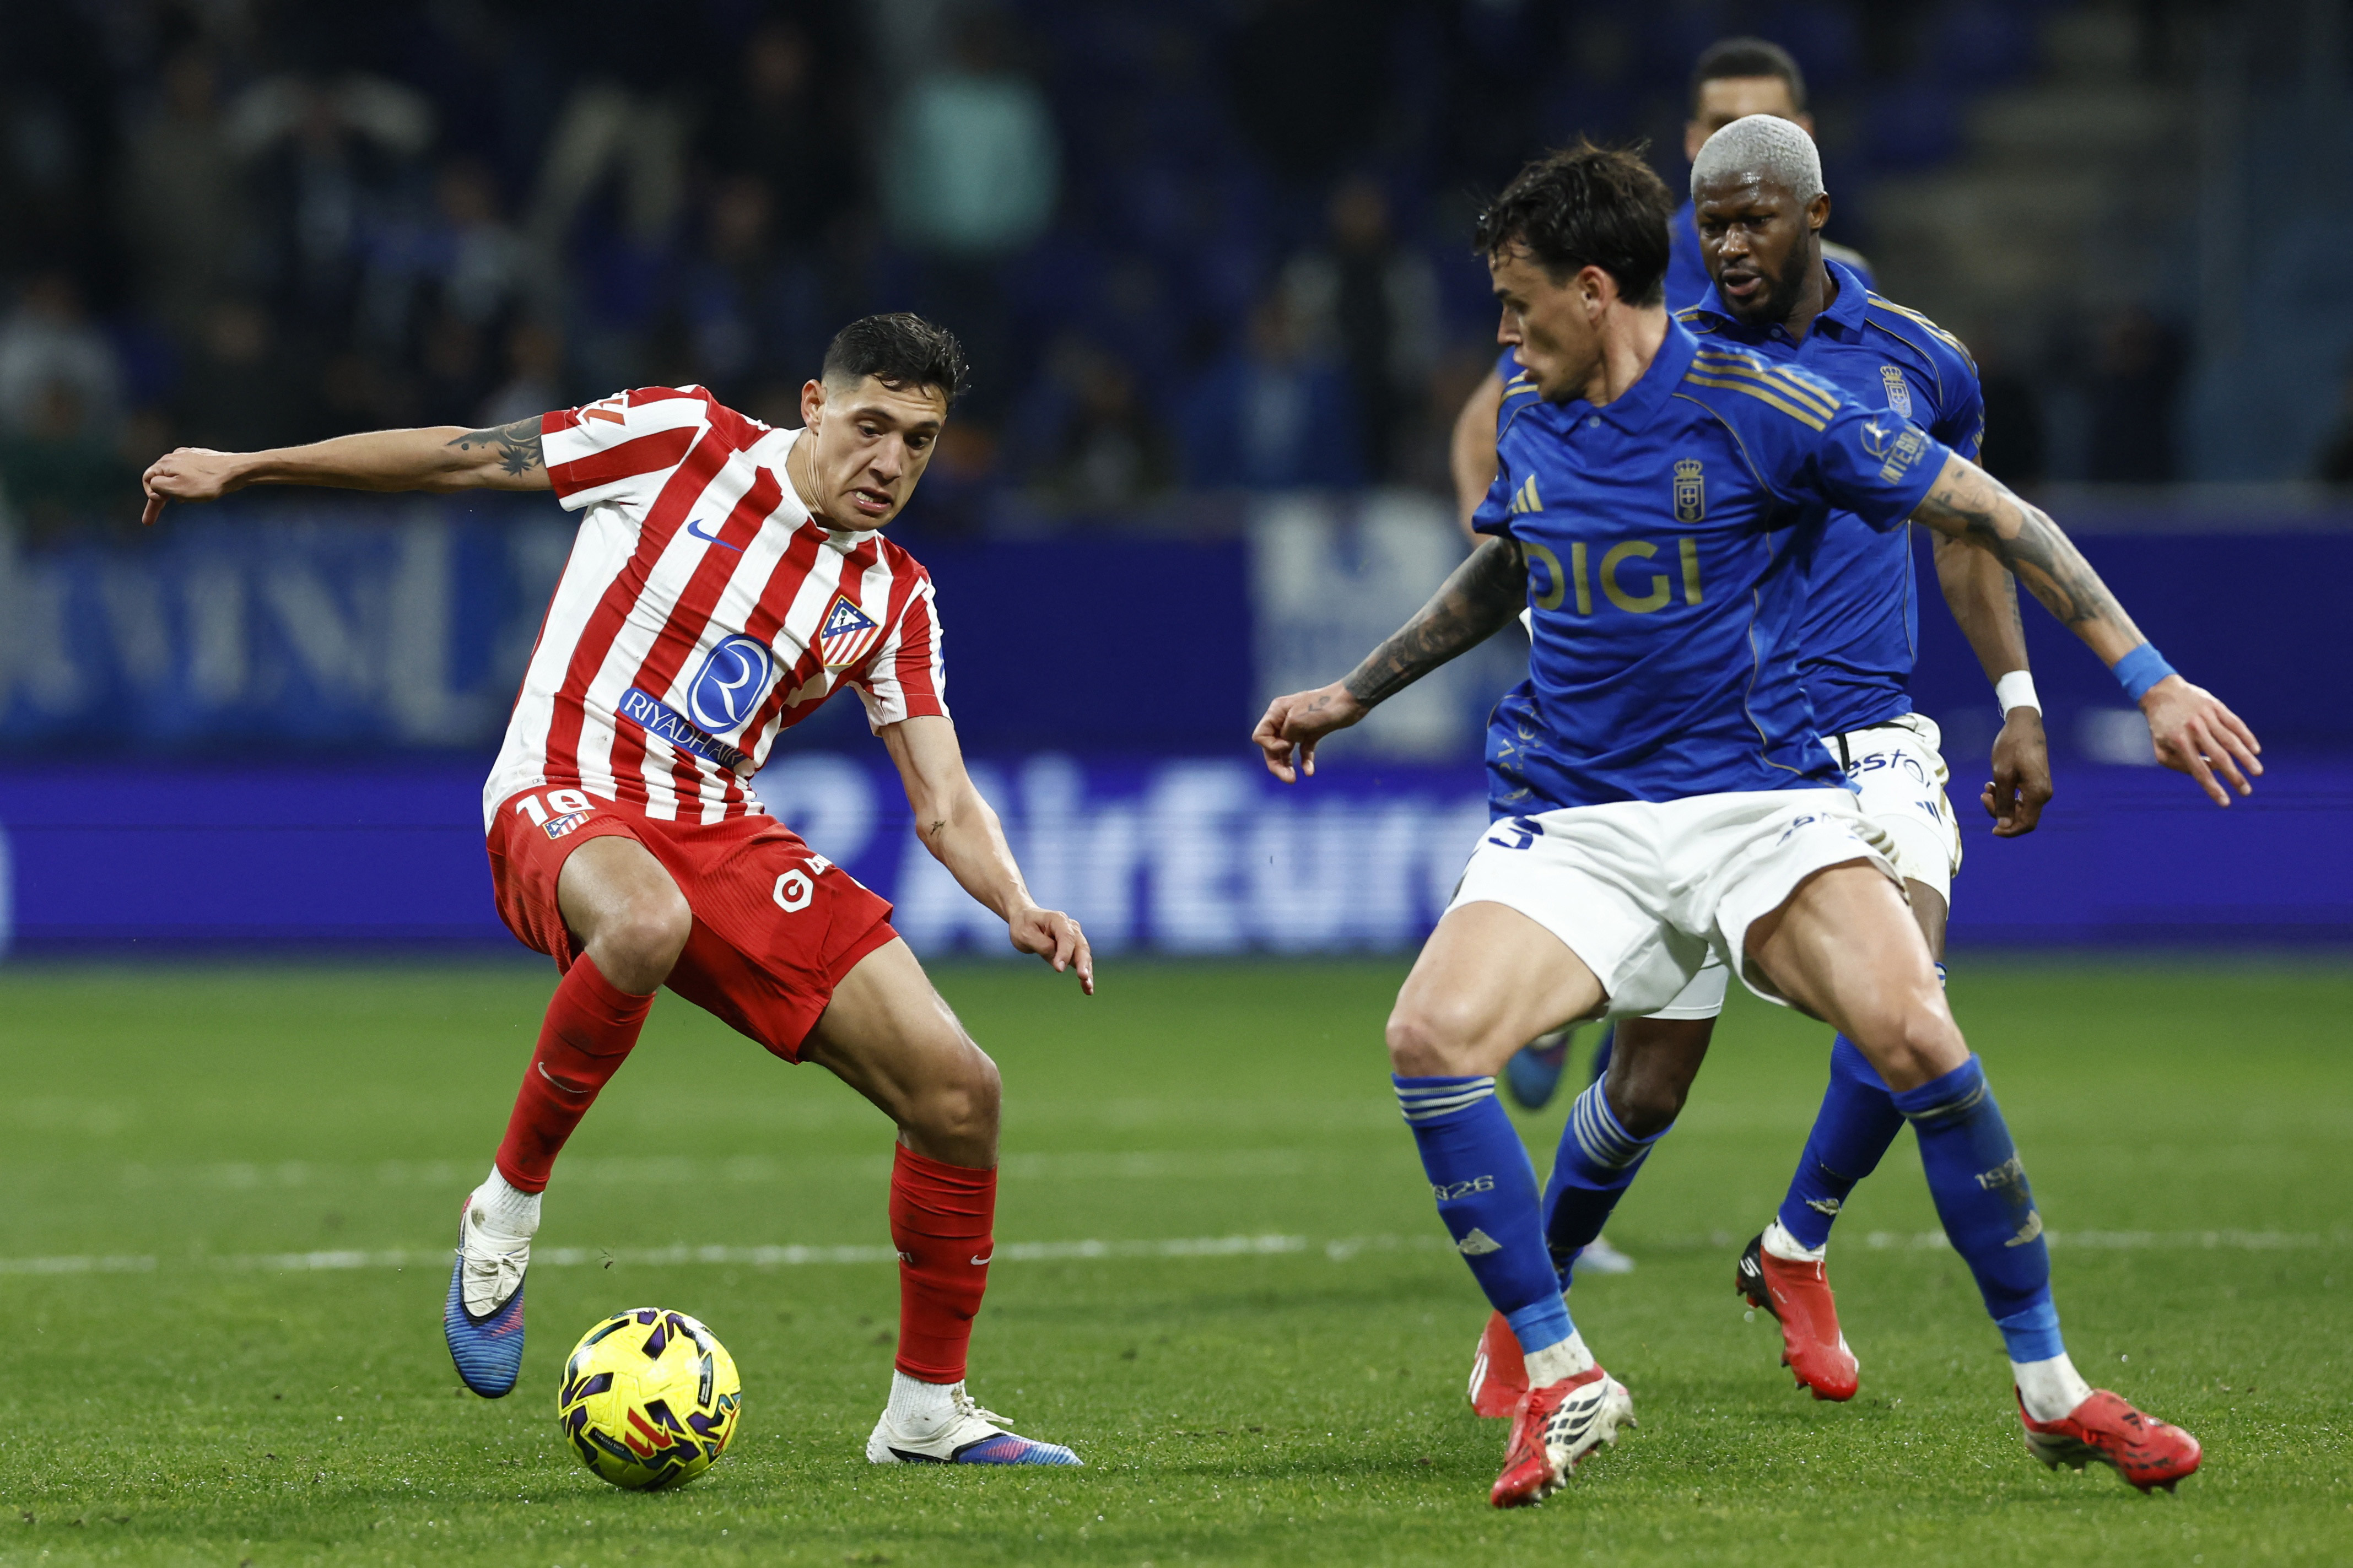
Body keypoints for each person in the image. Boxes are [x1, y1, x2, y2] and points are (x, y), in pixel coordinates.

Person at [1252, 140, 2257, 1508]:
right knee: (1429, 1040)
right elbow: (1506, 565)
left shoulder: (1766, 405)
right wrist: (1350, 693)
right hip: (1575, 816)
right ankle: (1559, 1375)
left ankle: (2053, 1394)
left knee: (1915, 1031)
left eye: (1514, 300)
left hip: (1754, 806)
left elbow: (1993, 513)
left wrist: (2145, 679)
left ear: (1592, 290)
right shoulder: (1533, 410)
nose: (1500, 330)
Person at [139, 313, 1092, 1469]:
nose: (889, 462)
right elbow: (459, 454)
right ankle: (504, 1213)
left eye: (921, 441)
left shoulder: (892, 598)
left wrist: (1017, 902)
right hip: (561, 788)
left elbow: (941, 799)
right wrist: (251, 466)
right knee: (645, 920)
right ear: (812, 404)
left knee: (959, 1092)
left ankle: (925, 1414)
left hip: (717, 831)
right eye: (871, 426)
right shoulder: (678, 440)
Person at [1462, 113, 2052, 1430]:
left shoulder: (1921, 359)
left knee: (1911, 1000)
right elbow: (1524, 461)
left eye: (1748, 217)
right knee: (1652, 1078)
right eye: (1706, 217)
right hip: (1718, 758)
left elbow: (1966, 527)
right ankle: (1534, 1300)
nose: (1725, 240)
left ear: (1813, 214)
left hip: (1872, 729)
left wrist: (2016, 697)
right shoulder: (1658, 358)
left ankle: (1794, 1243)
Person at [1455, 36, 1871, 1117]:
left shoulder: (1842, 306)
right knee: (1647, 1026)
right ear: (1689, 147)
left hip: (1769, 689)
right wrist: (1532, 556)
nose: (1734, 151)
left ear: (1804, 159)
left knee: (1703, 1042)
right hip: (1624, 703)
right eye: (1717, 125)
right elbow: (1487, 429)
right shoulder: (1624, 282)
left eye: (1760, 126)